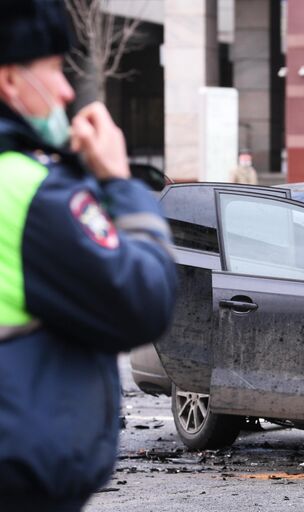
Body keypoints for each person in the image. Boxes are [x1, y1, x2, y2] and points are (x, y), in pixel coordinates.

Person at [0, 1, 177, 510]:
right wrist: (119, 184)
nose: (65, 91)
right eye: (54, 69)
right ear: (11, 81)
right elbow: (142, 300)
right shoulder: (26, 190)